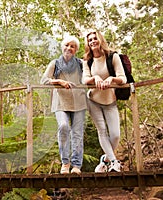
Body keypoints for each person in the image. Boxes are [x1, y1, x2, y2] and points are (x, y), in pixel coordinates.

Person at [40, 36, 87, 174]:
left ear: (76, 50)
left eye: (73, 46)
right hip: (60, 102)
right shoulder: (55, 63)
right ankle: (65, 163)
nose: (69, 48)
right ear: (62, 47)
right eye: (67, 45)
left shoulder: (81, 63)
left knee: (77, 133)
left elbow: (87, 78)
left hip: (79, 102)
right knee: (63, 126)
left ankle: (77, 165)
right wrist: (59, 82)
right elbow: (44, 80)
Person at [82, 31, 127, 172]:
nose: (93, 41)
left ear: (100, 39)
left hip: (110, 100)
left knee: (115, 135)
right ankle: (114, 163)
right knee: (102, 131)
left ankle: (105, 160)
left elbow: (123, 78)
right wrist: (95, 78)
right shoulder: (87, 60)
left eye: (95, 38)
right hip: (93, 100)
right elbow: (84, 80)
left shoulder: (112, 56)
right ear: (87, 43)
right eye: (90, 40)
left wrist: (111, 79)